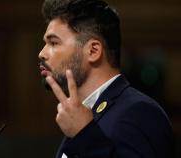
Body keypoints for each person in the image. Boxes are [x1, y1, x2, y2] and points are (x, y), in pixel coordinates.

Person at [38, 0, 173, 158]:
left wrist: (84, 134)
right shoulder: (79, 116)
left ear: (93, 51)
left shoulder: (140, 112)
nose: (41, 53)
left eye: (53, 42)